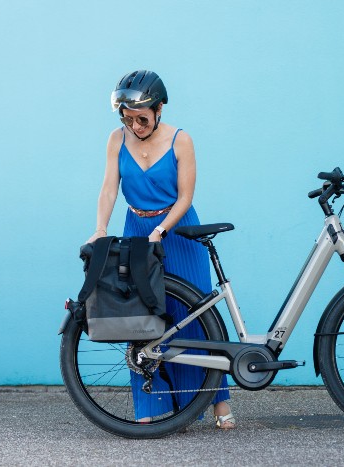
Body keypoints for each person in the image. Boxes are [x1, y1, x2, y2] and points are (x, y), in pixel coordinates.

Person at [85, 69, 235, 429]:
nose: (135, 126)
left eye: (141, 118)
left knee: (196, 319)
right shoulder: (116, 140)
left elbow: (186, 197)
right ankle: (146, 409)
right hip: (136, 230)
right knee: (140, 320)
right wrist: (100, 230)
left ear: (160, 109)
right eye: (127, 119)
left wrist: (162, 229)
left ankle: (219, 404)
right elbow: (109, 190)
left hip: (179, 231)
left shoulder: (181, 140)